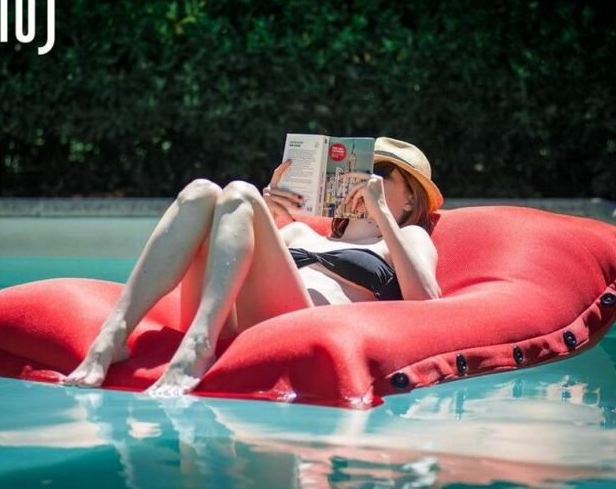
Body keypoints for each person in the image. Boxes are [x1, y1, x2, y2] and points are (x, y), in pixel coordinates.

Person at [62, 136, 444, 397]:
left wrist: (381, 214)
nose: (362, 178)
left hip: (300, 328)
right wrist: (271, 211)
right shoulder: (299, 232)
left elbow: (428, 303)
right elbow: (244, 265)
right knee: (201, 191)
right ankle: (112, 335)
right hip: (235, 320)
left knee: (241, 193)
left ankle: (198, 346)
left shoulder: (406, 239)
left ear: (410, 199)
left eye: (379, 173)